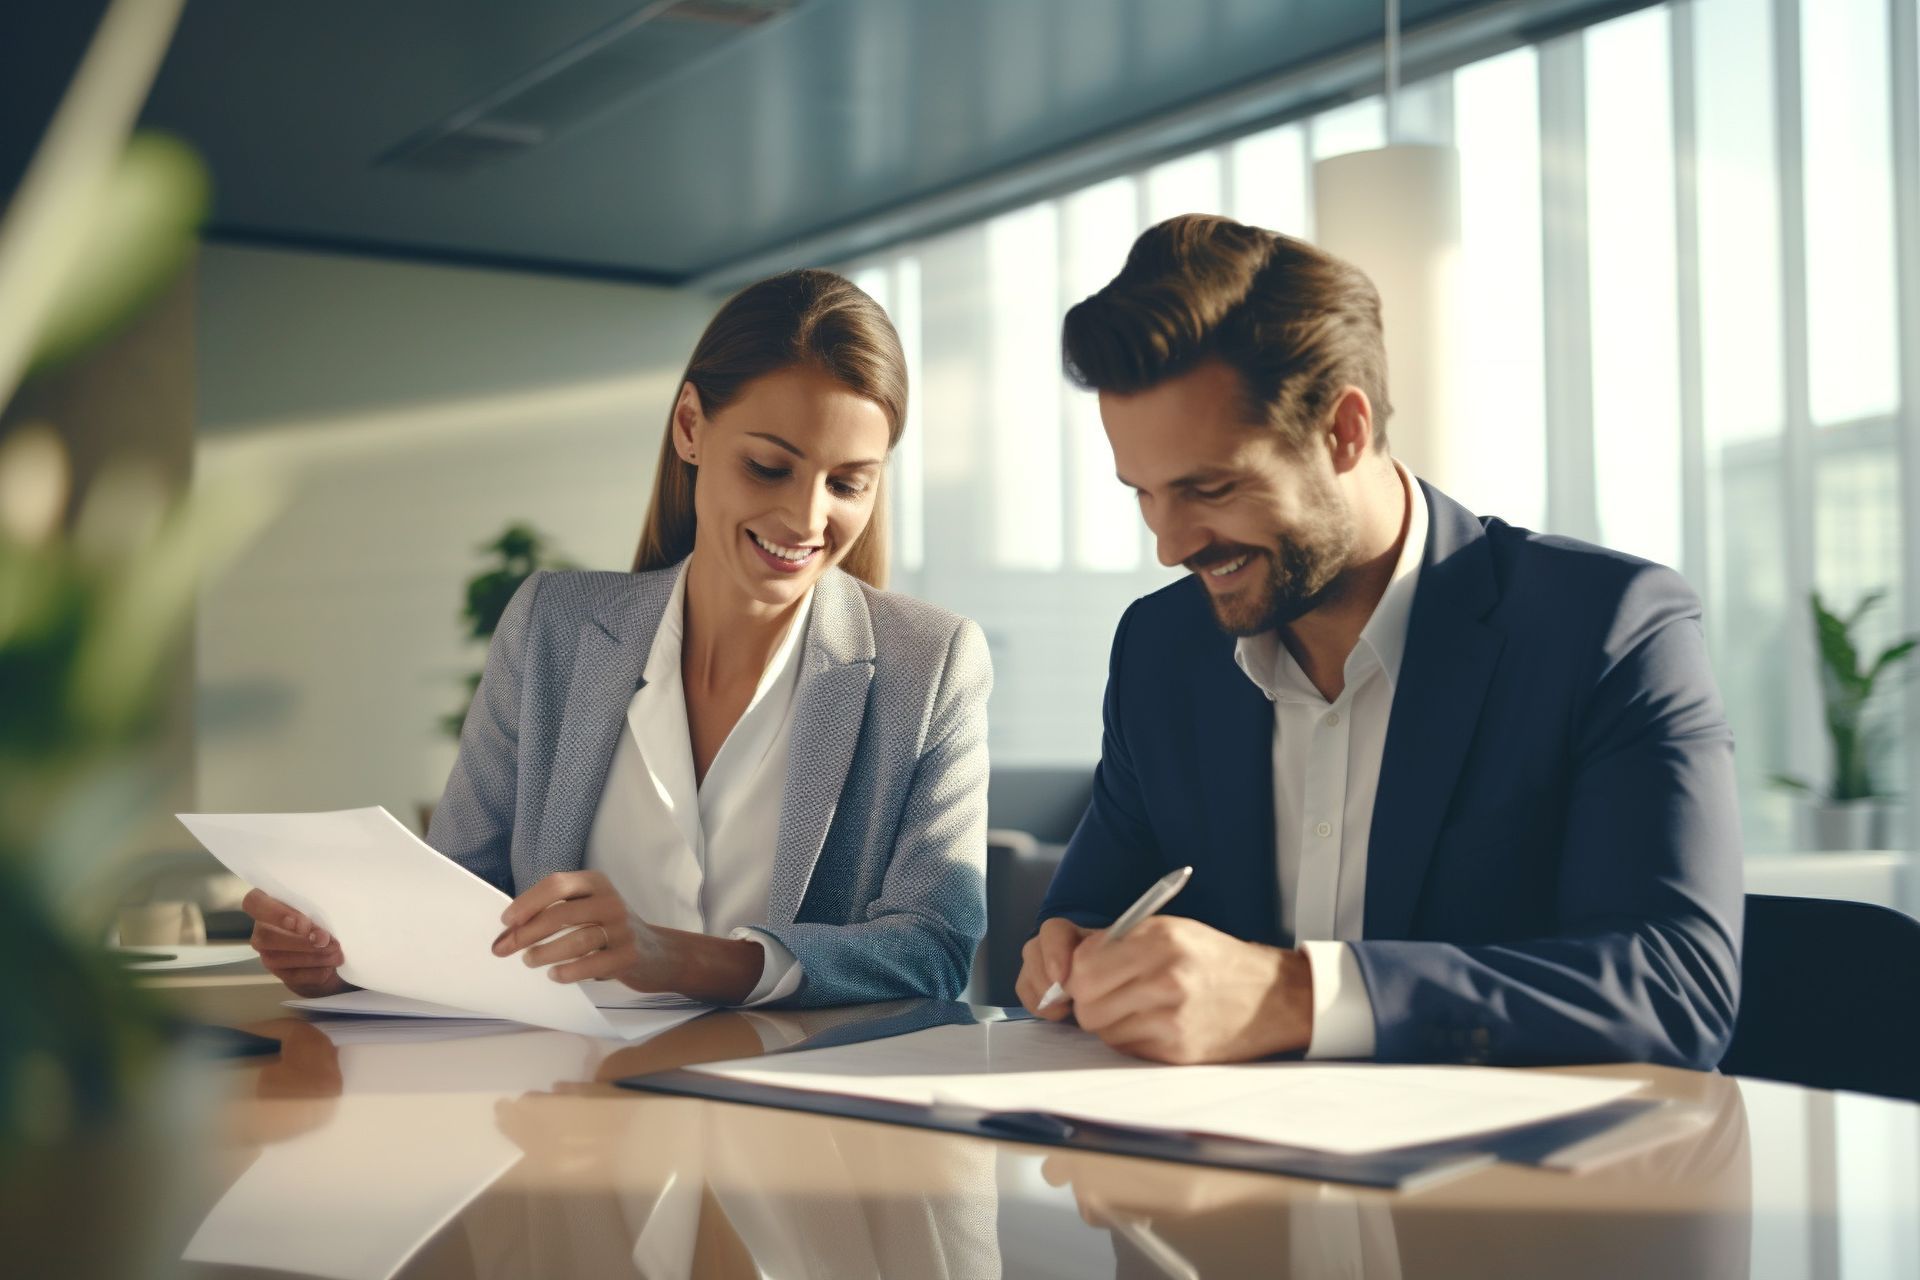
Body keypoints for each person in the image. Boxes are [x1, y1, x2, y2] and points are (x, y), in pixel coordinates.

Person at [1015, 215, 1742, 1068]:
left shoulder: (1608, 628)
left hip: (1512, 1186)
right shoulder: (1161, 649)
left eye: (1209, 488)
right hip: (1218, 1180)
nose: (1171, 545)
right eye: (1144, 494)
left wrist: (1297, 997)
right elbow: (1095, 913)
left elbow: (1675, 985)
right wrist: (1074, 957)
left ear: (1344, 430)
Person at [245, 269, 991, 1008]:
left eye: (848, 484)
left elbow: (934, 947)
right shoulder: (554, 627)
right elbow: (467, 894)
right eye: (769, 468)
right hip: (560, 1099)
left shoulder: (930, 665)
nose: (806, 519)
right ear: (692, 427)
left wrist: (690, 960)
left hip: (785, 1106)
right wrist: (346, 959)